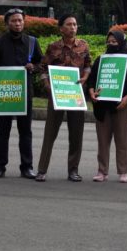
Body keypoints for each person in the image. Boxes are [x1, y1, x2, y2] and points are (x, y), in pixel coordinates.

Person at [0, 8, 42, 179]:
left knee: (25, 131)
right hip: (4, 92)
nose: (17, 24)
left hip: (24, 93)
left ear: (24, 22)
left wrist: (35, 67)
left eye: (20, 20)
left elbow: (41, 64)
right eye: (13, 21)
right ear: (7, 23)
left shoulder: (32, 42)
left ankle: (27, 167)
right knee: (3, 130)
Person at [36, 14, 91, 182]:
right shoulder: (53, 47)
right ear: (61, 28)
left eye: (75, 24)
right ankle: (42, 170)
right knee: (50, 132)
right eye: (69, 24)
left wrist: (85, 77)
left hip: (75, 94)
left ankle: (73, 170)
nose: (72, 27)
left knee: (76, 133)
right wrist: (47, 84)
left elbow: (88, 65)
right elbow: (43, 68)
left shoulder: (83, 46)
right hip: (57, 94)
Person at [88, 31, 127, 183]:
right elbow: (92, 80)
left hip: (122, 105)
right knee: (103, 140)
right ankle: (102, 170)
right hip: (102, 106)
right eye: (109, 42)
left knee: (122, 139)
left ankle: (123, 171)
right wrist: (92, 93)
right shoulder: (101, 60)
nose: (111, 44)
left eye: (114, 42)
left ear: (122, 42)